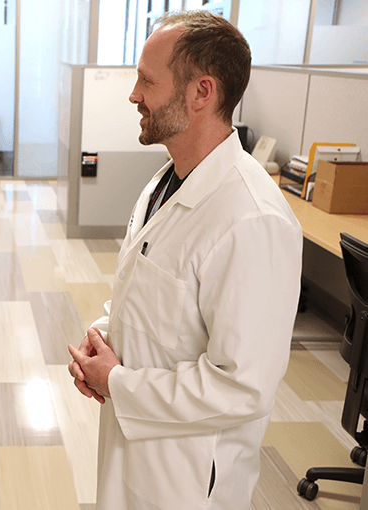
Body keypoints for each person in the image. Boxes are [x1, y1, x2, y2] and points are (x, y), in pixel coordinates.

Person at [67, 11, 303, 510]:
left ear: (202, 92)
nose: (133, 95)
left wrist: (118, 382)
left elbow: (243, 386)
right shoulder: (166, 181)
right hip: (136, 446)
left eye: (147, 82)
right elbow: (151, 296)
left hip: (188, 478)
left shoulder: (253, 219)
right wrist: (103, 338)